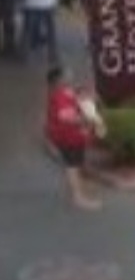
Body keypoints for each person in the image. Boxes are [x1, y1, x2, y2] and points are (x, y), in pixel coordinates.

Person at [44, 65, 102, 210]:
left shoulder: (65, 92)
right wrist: (87, 120)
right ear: (59, 80)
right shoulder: (60, 96)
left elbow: (77, 100)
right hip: (67, 136)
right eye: (66, 74)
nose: (70, 74)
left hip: (74, 135)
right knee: (72, 165)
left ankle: (78, 190)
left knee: (76, 163)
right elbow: (66, 117)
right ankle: (77, 197)